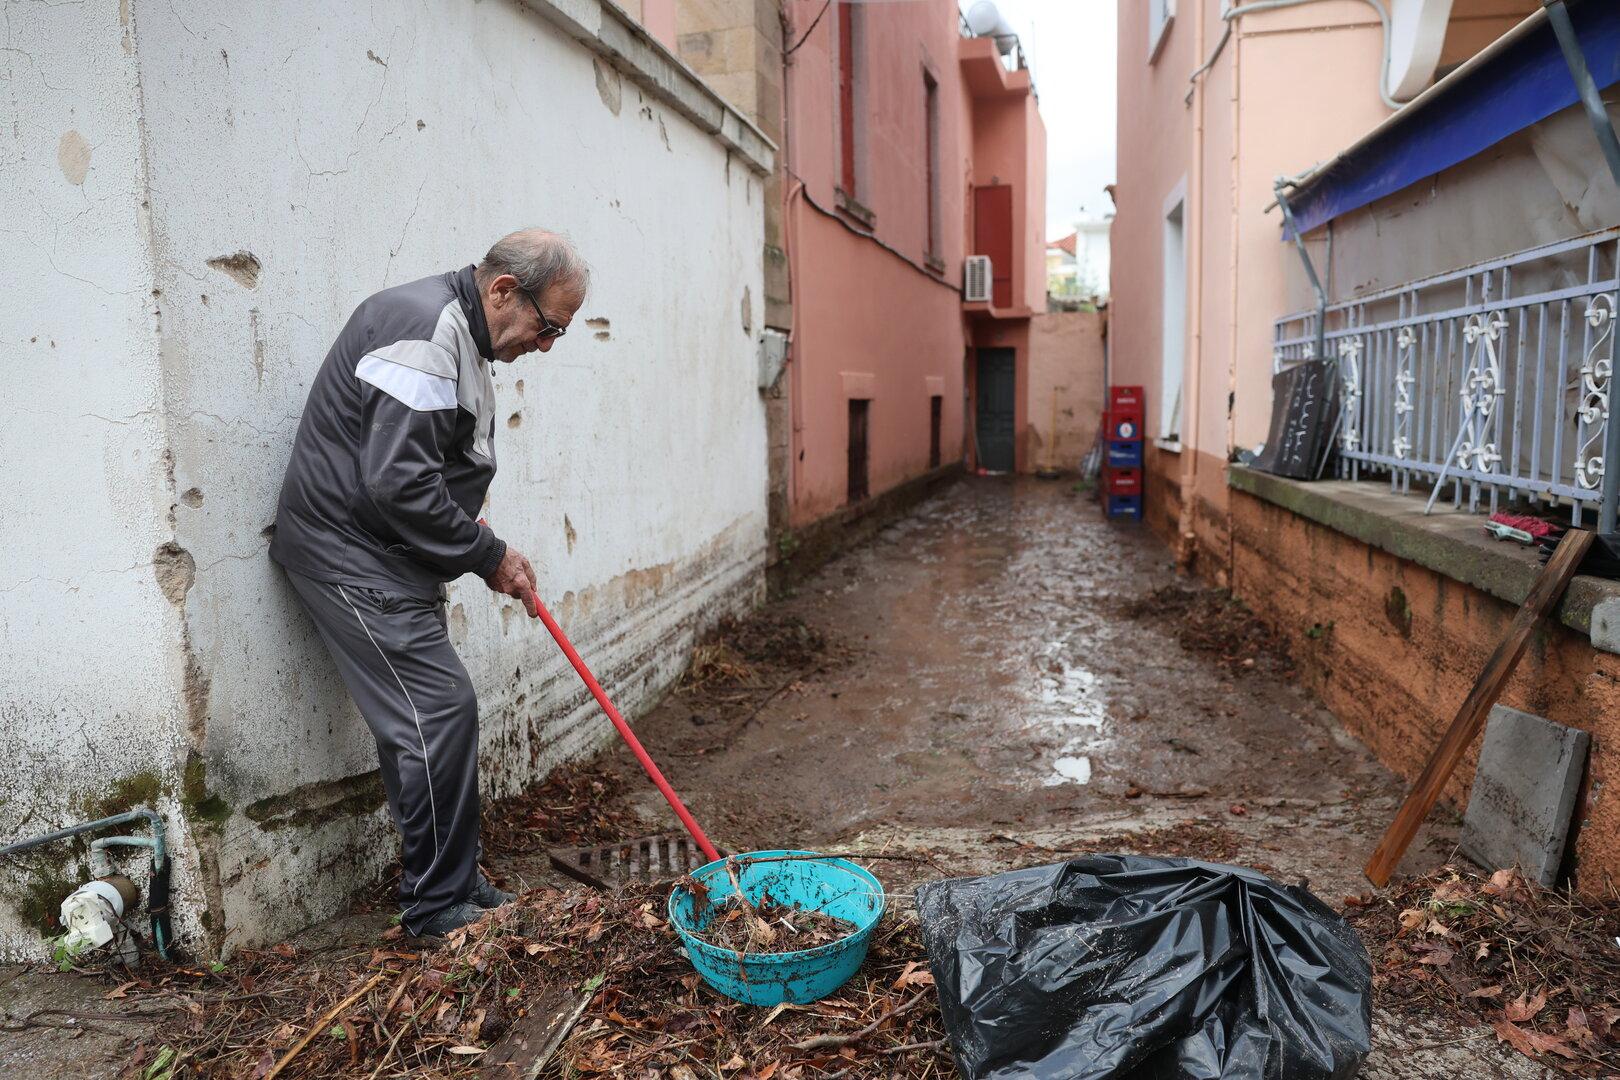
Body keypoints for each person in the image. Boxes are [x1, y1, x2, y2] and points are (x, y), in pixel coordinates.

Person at [269, 228, 587, 935]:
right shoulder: (425, 330)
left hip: (387, 555)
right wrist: (487, 553)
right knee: (439, 711)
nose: (546, 346)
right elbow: (398, 483)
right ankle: (437, 907)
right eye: (548, 327)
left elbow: (424, 466)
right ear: (504, 290)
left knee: (430, 720)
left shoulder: (459, 336)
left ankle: (452, 884)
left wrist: (469, 533)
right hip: (350, 554)